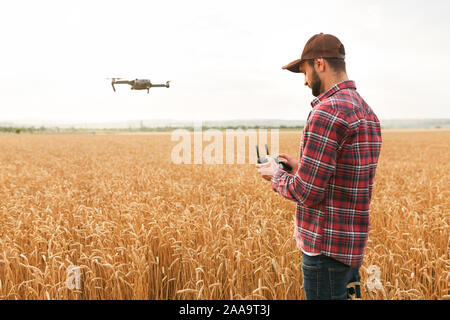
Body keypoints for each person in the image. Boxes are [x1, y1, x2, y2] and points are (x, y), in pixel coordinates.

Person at [256, 33, 382, 300]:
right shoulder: (366, 111)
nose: (304, 81)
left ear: (320, 64)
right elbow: (344, 175)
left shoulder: (326, 111)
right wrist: (300, 166)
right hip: (349, 248)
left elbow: (307, 193)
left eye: (305, 71)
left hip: (323, 250)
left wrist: (275, 174)